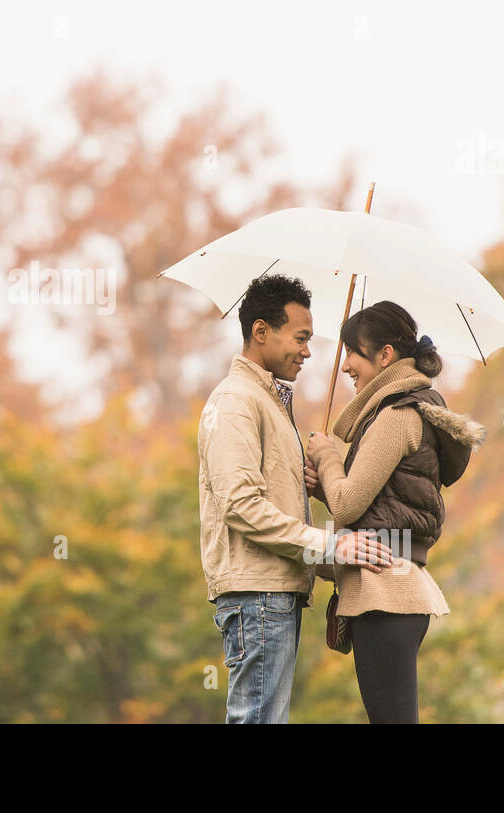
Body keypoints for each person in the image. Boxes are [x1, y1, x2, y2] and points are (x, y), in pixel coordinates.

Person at [198, 274, 395, 724]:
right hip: (258, 595)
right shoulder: (236, 401)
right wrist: (330, 545)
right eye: (301, 337)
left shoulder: (268, 402)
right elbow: (241, 506)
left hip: (272, 594)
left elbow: (269, 504)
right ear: (261, 331)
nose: (308, 350)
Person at [305, 300, 487, 723]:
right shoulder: (402, 410)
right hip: (394, 593)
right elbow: (374, 507)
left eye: (353, 350)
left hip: (385, 596)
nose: (346, 362)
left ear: (385, 355)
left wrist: (328, 457)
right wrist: (323, 488)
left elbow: (349, 504)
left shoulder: (395, 415)